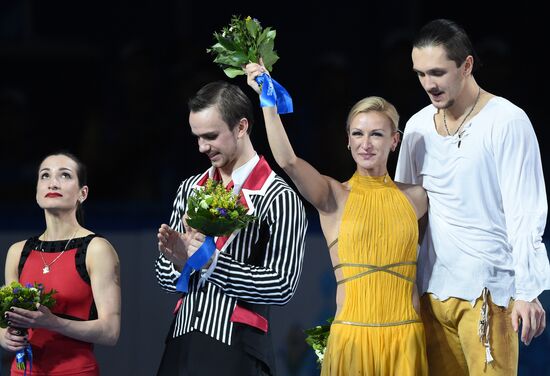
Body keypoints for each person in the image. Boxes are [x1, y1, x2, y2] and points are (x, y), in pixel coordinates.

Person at [245, 63, 428, 375]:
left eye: (376, 134)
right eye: (357, 134)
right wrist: (268, 101)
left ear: (394, 141)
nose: (365, 143)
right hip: (352, 340)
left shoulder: (418, 198)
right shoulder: (333, 196)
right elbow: (288, 161)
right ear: (347, 140)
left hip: (407, 340)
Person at [395, 18, 550, 376]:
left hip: (488, 293)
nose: (428, 84)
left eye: (437, 72)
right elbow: (406, 214)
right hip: (432, 295)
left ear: (466, 65)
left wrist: (527, 290)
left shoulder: (507, 121)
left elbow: (524, 210)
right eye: (419, 74)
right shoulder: (418, 126)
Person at [154, 81, 308, 376]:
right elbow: (163, 276)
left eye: (211, 136)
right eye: (197, 137)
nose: (202, 147)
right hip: (180, 343)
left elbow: (282, 285)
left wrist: (212, 263)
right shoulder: (189, 189)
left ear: (241, 127)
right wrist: (179, 264)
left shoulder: (279, 197)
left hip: (238, 347)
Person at [1, 152, 121, 375]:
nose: (53, 182)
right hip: (22, 371)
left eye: (65, 175)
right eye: (44, 176)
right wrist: (5, 337)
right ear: (37, 192)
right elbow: (7, 319)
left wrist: (52, 322)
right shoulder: (17, 252)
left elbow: (110, 332)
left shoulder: (96, 249)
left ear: (82, 193)